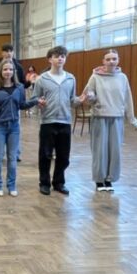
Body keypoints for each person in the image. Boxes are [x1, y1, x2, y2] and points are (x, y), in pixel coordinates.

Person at [80, 49, 137, 192]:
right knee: (100, 151)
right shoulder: (95, 77)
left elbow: (128, 99)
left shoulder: (123, 78)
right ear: (103, 61)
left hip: (117, 118)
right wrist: (91, 97)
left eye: (114, 59)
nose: (111, 61)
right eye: (108, 59)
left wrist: (132, 120)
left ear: (118, 60)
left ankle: (109, 179)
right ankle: (99, 180)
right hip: (99, 117)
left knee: (115, 151)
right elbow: (87, 95)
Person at [0, 60, 38, 196]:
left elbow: (22, 105)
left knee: (12, 158)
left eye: (11, 69)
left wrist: (36, 101)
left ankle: (11, 185)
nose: (8, 72)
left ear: (14, 72)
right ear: (0, 71)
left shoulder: (19, 88)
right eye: (5, 69)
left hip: (14, 127)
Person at [31, 46, 81, 196]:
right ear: (50, 59)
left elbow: (72, 100)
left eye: (63, 56)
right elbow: (34, 98)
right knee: (45, 155)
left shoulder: (70, 78)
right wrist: (39, 102)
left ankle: (59, 182)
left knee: (63, 156)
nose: (60, 58)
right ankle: (44, 183)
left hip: (65, 122)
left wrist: (82, 99)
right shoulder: (42, 79)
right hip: (47, 121)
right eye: (57, 56)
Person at [0, 45, 26, 158]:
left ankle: (16, 153)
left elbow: (23, 83)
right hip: (1, 103)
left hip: (15, 102)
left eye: (10, 51)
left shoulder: (18, 67)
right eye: (6, 51)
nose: (8, 53)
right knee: (1, 128)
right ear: (2, 53)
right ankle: (2, 152)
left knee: (16, 128)